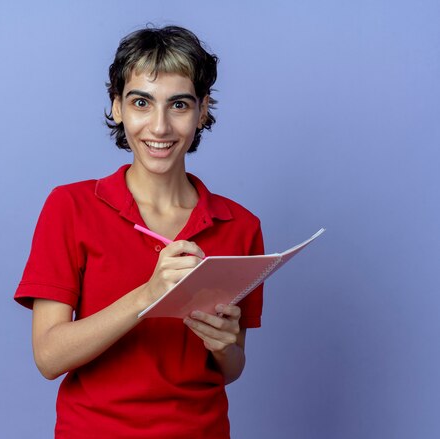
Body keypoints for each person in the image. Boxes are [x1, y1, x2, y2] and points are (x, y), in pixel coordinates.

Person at [14, 25, 264, 439]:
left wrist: (222, 345)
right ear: (117, 107)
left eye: (179, 104)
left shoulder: (240, 226)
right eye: (141, 102)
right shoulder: (71, 207)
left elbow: (233, 367)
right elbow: (48, 356)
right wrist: (148, 295)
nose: (160, 126)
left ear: (203, 111)